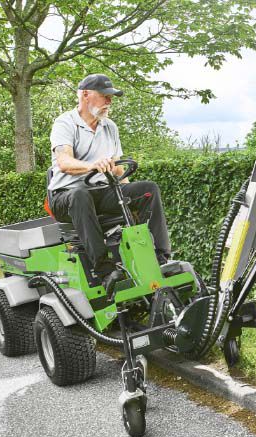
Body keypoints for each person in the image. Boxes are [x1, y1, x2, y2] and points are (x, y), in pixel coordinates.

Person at [47, 73, 172, 285]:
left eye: (111, 97)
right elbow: (64, 162)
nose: (109, 101)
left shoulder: (109, 127)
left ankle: (160, 258)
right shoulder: (65, 123)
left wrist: (129, 195)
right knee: (80, 195)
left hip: (101, 193)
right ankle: (105, 271)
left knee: (148, 189)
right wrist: (92, 166)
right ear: (85, 95)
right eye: (104, 95)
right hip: (65, 197)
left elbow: (116, 170)